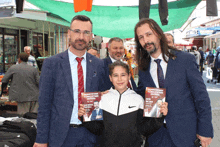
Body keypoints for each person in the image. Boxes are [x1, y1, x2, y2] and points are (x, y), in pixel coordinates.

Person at [135, 18, 213, 147]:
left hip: (184, 135)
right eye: (141, 37)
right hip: (156, 137)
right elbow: (141, 96)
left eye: (149, 34)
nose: (146, 41)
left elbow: (202, 97)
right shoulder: (143, 68)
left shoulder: (185, 60)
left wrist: (205, 130)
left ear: (159, 34)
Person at [33, 15, 106, 147]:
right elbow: (44, 104)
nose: (81, 37)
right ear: (69, 34)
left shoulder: (98, 65)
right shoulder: (52, 64)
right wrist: (41, 139)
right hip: (61, 136)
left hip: (90, 135)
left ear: (91, 36)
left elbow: (103, 97)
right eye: (77, 31)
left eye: (86, 33)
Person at [80, 61, 168, 147]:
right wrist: (83, 116)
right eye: (115, 75)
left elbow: (144, 129)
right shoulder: (101, 99)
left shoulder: (138, 100)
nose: (119, 79)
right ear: (110, 78)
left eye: (123, 75)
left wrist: (160, 115)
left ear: (129, 76)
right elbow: (98, 129)